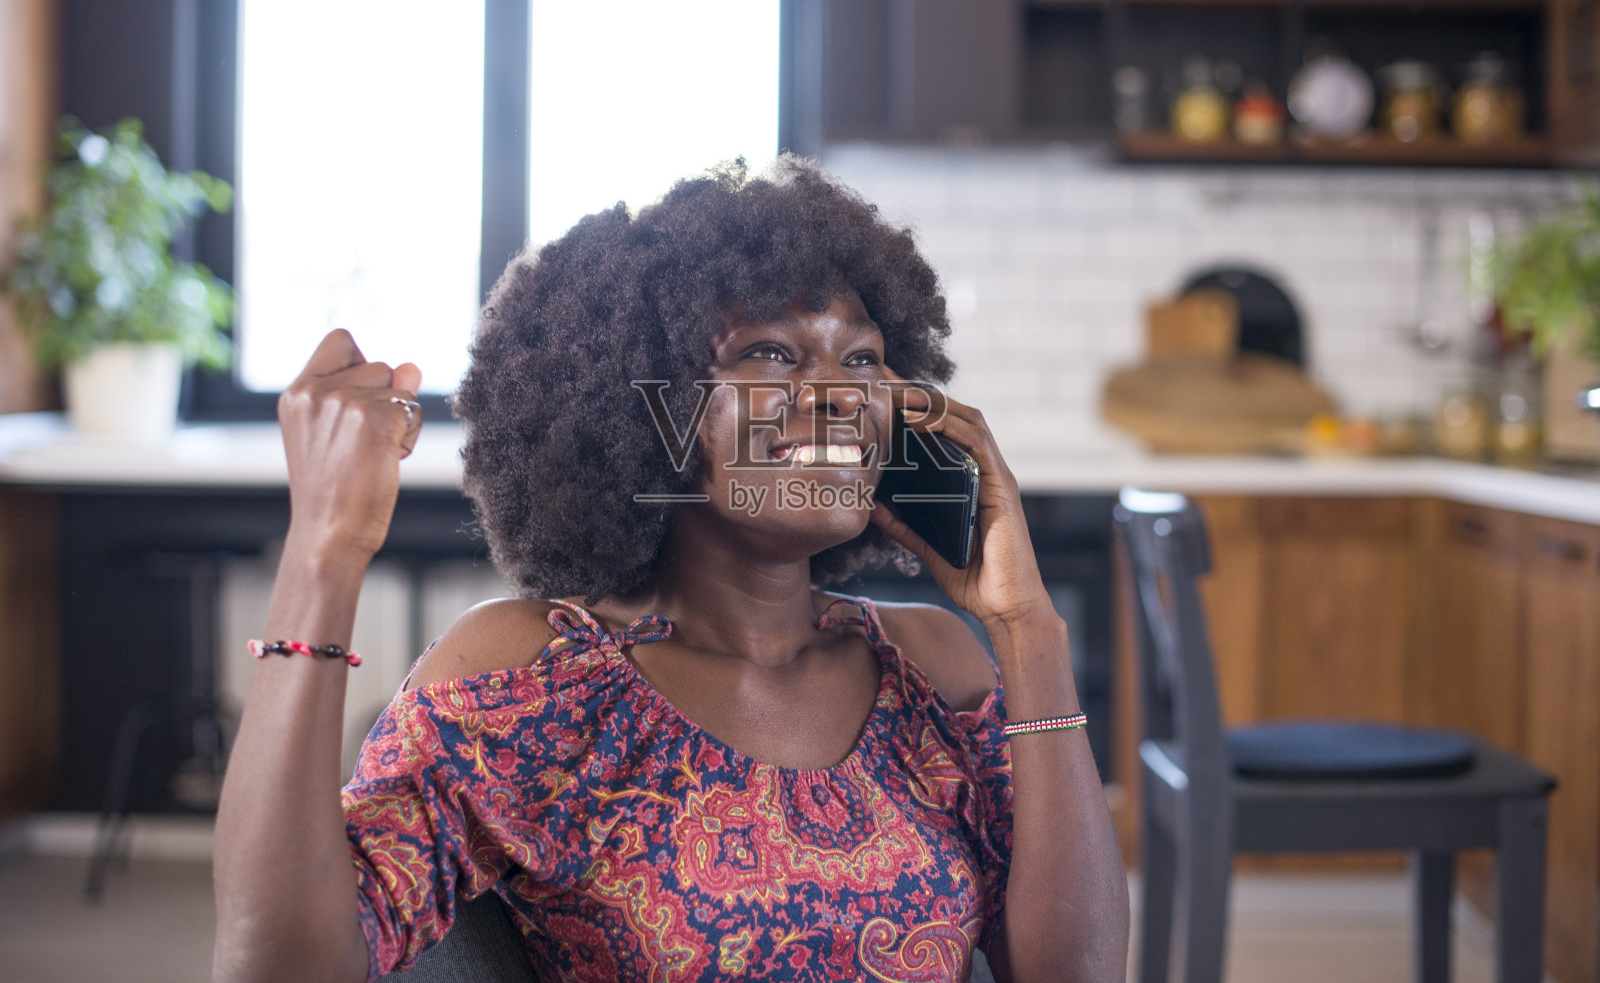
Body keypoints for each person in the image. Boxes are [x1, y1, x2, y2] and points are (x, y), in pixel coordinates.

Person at [212, 158, 1128, 983]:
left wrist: (1027, 628)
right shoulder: (538, 679)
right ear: (642, 406)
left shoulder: (933, 665)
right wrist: (323, 554)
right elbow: (281, 966)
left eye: (864, 359)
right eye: (770, 353)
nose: (842, 395)